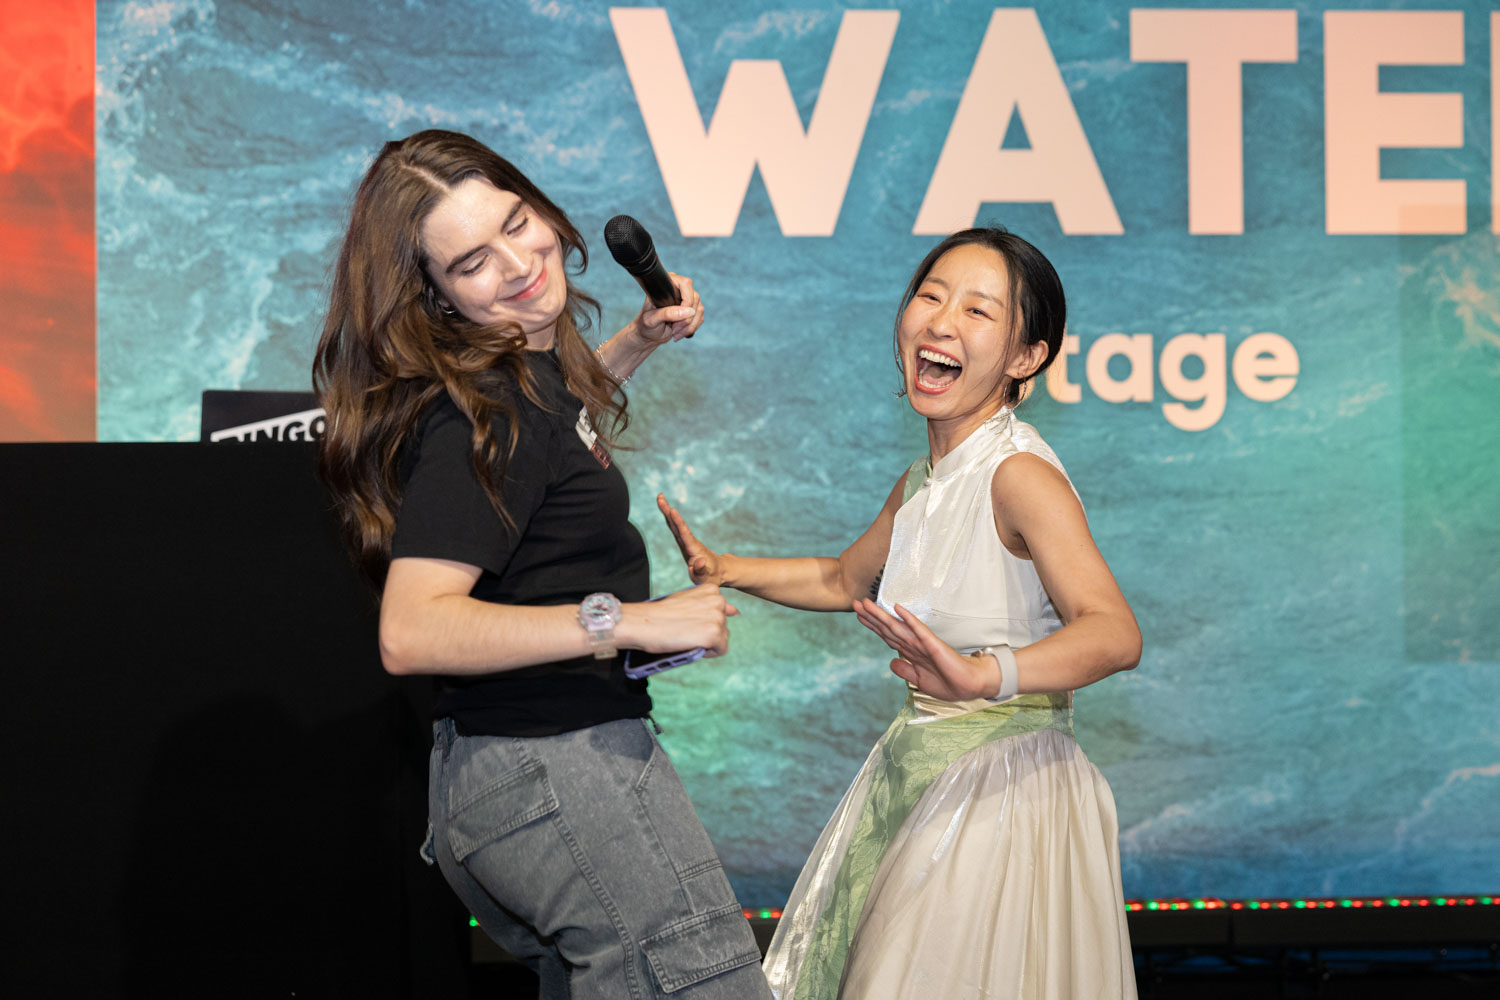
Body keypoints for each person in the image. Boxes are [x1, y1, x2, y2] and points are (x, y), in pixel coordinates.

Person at [313, 129, 773, 1000]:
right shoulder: (486, 412)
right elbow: (412, 630)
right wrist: (630, 620)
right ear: (435, 296)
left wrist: (635, 342)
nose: (520, 263)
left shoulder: (515, 384)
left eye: (517, 223)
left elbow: (551, 437)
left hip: (512, 780)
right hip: (559, 770)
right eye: (473, 262)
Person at [658, 228, 1141, 998]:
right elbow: (842, 578)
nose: (942, 322)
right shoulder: (923, 479)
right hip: (917, 765)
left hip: (1003, 791)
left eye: (978, 310)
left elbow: (1114, 632)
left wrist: (984, 675)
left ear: (1026, 357)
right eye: (931, 296)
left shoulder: (1018, 475)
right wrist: (726, 569)